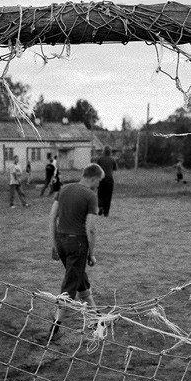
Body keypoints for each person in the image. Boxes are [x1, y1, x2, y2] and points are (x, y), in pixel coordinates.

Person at [47, 163, 104, 343]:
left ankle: (97, 320)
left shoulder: (63, 189)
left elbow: (52, 217)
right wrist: (91, 254)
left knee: (80, 280)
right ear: (93, 178)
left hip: (62, 241)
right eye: (99, 181)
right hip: (77, 243)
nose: (98, 185)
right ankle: (54, 330)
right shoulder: (90, 196)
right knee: (70, 285)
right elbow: (91, 229)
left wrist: (54, 244)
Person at [95, 145, 117, 217]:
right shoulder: (112, 159)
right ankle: (106, 212)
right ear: (110, 152)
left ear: (103, 151)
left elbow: (96, 168)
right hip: (109, 179)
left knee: (100, 194)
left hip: (101, 178)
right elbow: (115, 168)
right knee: (108, 195)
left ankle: (100, 206)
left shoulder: (100, 159)